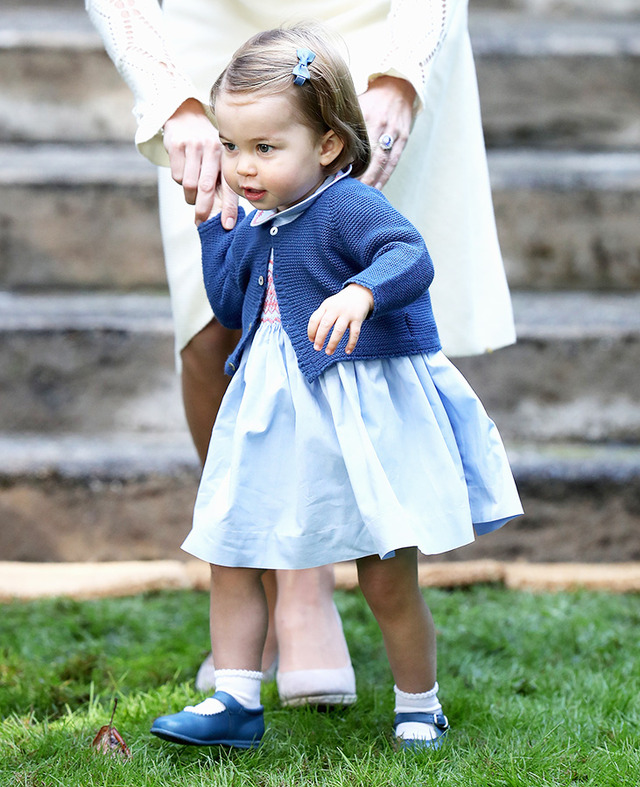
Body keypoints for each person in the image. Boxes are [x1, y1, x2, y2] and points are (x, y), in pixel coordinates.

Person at [86, 0, 517, 706]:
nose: (242, 169)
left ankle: (353, 630)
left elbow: (405, 253)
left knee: (384, 556)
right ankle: (257, 637)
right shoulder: (241, 177)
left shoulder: (345, 191)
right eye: (235, 152)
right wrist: (178, 115)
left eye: (257, 154)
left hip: (377, 19)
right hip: (208, 29)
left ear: (327, 145)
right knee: (209, 331)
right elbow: (230, 300)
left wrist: (402, 73)